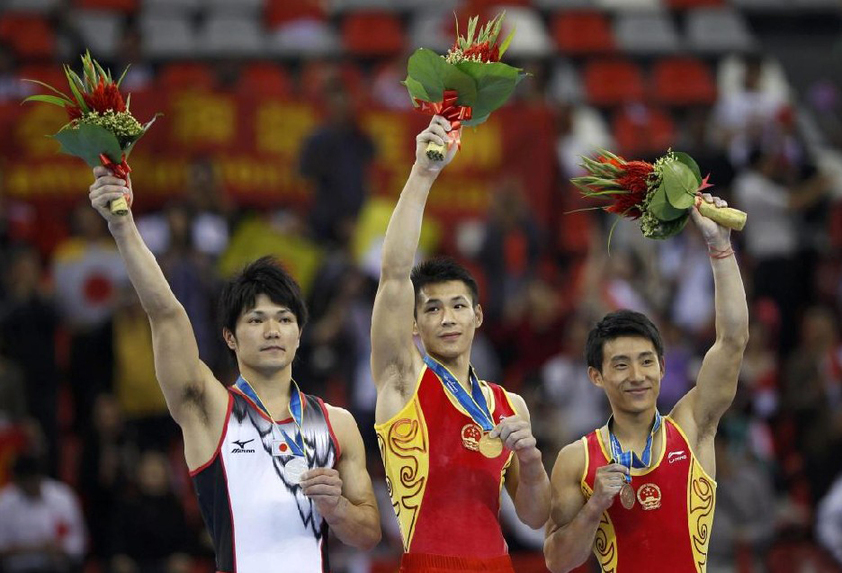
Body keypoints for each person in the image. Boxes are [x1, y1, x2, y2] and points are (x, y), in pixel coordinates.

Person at [87, 167, 381, 573]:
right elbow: (166, 314)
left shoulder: (337, 424)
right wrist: (122, 226)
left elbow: (367, 534)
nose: (272, 330)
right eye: (256, 320)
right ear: (229, 337)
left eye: (284, 319)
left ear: (299, 333)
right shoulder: (209, 409)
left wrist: (337, 507)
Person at [371, 116, 551, 573]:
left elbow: (533, 516)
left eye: (457, 306)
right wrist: (423, 173)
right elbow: (394, 274)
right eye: (432, 309)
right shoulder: (403, 381)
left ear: (479, 316)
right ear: (413, 326)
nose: (447, 318)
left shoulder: (510, 405)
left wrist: (531, 461)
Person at [544, 194, 749, 573]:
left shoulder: (692, 427)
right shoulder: (577, 460)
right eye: (621, 365)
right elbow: (557, 563)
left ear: (662, 368)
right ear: (597, 375)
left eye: (646, 362)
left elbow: (732, 341)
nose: (637, 376)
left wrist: (720, 248)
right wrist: (593, 508)